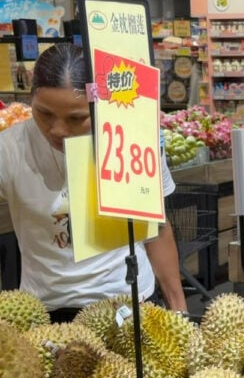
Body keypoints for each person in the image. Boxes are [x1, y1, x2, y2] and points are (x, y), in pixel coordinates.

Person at [0, 43, 187, 322]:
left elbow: (156, 229)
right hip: (46, 312)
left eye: (76, 118)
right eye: (44, 113)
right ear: (31, 98)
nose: (58, 130)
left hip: (128, 304)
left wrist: (179, 309)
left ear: (98, 104)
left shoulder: (132, 139)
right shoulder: (9, 149)